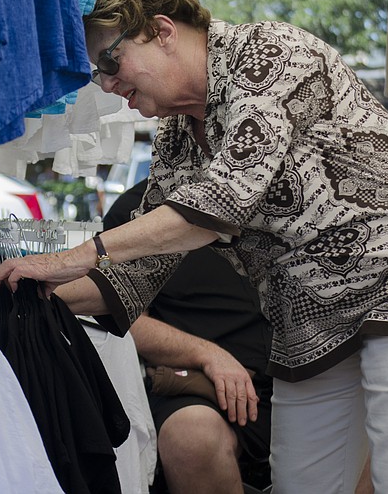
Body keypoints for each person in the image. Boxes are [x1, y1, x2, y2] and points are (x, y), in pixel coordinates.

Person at [0, 0, 388, 493]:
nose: (109, 84)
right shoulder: (179, 139)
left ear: (161, 31)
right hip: (308, 311)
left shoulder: (267, 55)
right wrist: (26, 296)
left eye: (110, 62)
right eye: (97, 73)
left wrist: (71, 257)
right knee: (304, 481)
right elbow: (136, 272)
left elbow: (225, 199)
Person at [104, 178, 273, 493]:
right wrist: (207, 354)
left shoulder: (282, 194)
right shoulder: (137, 208)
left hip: (297, 373)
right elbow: (123, 316)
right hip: (198, 386)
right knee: (192, 437)